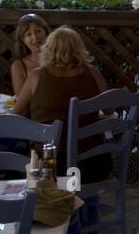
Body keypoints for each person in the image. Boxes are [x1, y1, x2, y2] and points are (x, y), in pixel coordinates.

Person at [13, 26, 110, 181]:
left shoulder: (37, 76)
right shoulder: (93, 73)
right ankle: (84, 203)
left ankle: (40, 202)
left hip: (51, 165)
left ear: (49, 48)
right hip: (94, 163)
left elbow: (16, 115)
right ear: (79, 48)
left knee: (15, 156)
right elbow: (109, 109)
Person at [10, 13, 50, 95]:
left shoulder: (60, 59)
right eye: (28, 34)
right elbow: (20, 100)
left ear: (46, 32)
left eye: (38, 31)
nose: (35, 37)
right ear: (23, 40)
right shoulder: (18, 66)